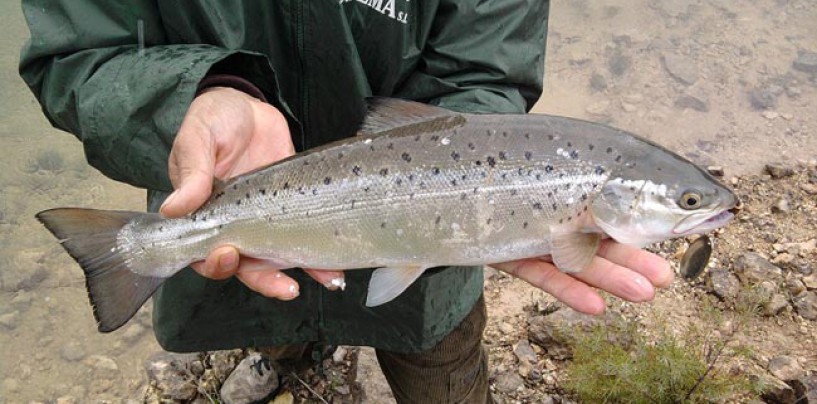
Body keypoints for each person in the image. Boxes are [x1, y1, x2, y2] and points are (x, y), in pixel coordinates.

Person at [20, 1, 673, 402]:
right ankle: (279, 357)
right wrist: (195, 96)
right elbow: (78, 58)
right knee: (271, 314)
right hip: (231, 217)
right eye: (685, 202)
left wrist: (471, 186)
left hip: (428, 277)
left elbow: (484, 74)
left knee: (441, 362)